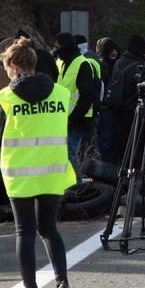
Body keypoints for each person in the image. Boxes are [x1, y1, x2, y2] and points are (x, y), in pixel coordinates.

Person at [0, 38, 76, 288]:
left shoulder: (7, 97)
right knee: (50, 229)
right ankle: (63, 284)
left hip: (19, 174)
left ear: (15, 66)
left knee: (25, 232)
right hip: (52, 170)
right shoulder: (60, 93)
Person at [52, 32, 99, 180]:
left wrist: (73, 118)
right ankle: (69, 185)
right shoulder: (60, 63)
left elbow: (86, 96)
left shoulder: (82, 64)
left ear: (65, 47)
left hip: (78, 119)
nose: (55, 50)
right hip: (61, 118)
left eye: (57, 47)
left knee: (71, 153)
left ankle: (77, 186)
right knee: (64, 154)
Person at [102, 35, 145, 163]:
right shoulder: (140, 67)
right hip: (134, 112)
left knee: (120, 146)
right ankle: (138, 171)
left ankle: (120, 174)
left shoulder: (119, 62)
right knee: (137, 148)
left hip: (116, 111)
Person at [94, 37, 121, 161]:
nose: (114, 53)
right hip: (105, 108)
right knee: (106, 138)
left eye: (115, 50)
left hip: (111, 107)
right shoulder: (101, 66)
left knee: (109, 138)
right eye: (111, 50)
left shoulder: (116, 65)